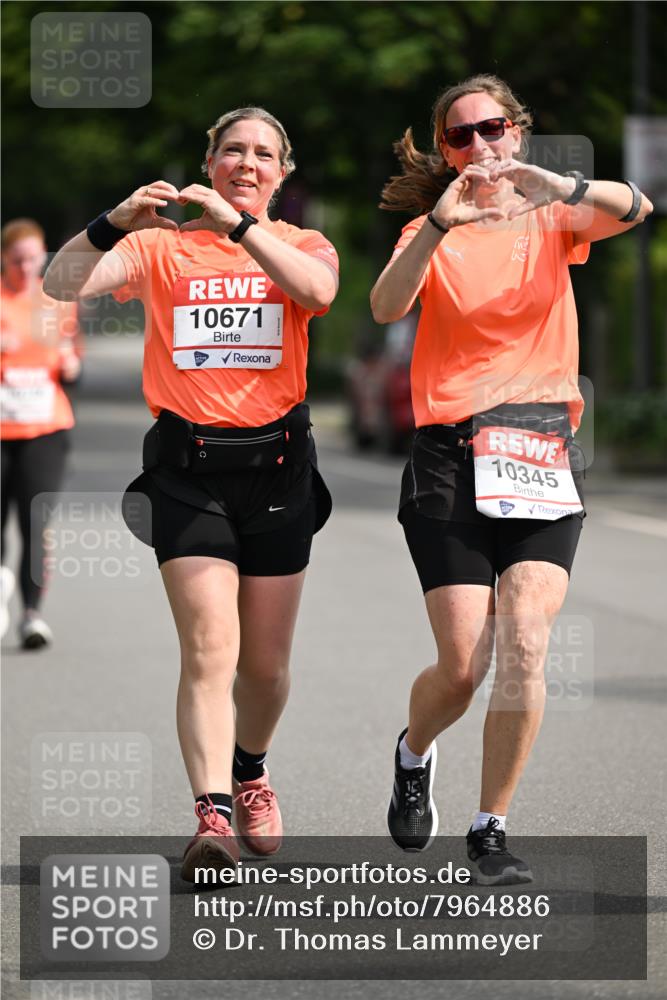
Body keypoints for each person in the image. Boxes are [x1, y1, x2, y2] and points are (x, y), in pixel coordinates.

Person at [370, 74, 652, 884]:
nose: (479, 148)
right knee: (462, 666)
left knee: (525, 641)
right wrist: (434, 223)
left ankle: (489, 827)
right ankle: (413, 749)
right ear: (445, 151)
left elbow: (637, 207)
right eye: (460, 137)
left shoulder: (554, 212)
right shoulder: (436, 229)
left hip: (536, 446)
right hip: (448, 454)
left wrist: (555, 184)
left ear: (517, 133)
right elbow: (388, 307)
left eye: (491, 130)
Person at [44, 107, 339, 879]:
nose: (247, 164)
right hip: (186, 474)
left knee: (266, 667)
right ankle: (211, 817)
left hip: (278, 473)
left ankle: (249, 770)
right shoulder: (158, 249)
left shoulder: (299, 244)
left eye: (263, 154)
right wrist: (114, 220)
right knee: (211, 647)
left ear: (283, 172)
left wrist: (242, 231)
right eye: (232, 151)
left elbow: (318, 292)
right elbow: (58, 281)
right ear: (208, 161)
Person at [1, 218, 82, 648]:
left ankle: (32, 615)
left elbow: (72, 361)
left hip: (45, 427)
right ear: (3, 259)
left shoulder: (57, 303)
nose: (27, 267)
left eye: (34, 258)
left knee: (36, 520)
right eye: (18, 260)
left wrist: (73, 368)